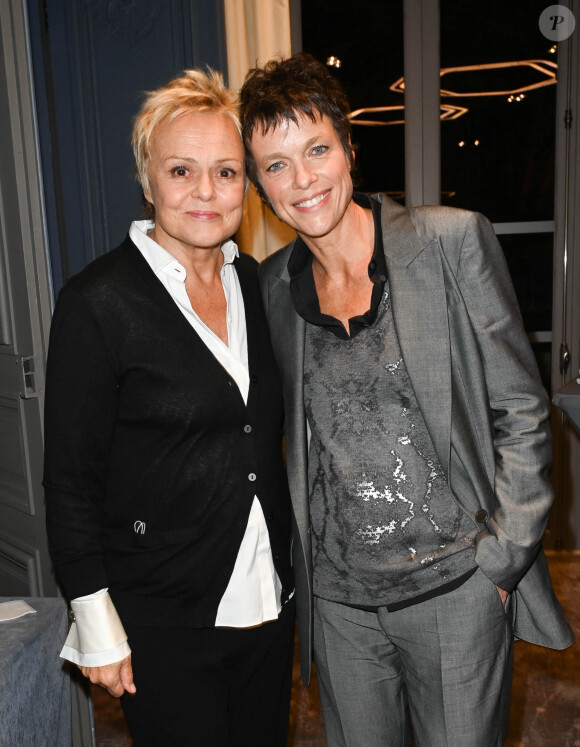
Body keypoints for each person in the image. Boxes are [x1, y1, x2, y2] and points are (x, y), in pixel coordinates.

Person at [240, 53, 574, 747]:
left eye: (316, 150)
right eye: (275, 165)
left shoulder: (451, 243)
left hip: (457, 591)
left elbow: (521, 407)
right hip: (340, 610)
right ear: (258, 185)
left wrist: (504, 559)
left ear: (348, 146)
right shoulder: (272, 289)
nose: (302, 180)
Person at [43, 68, 294, 746]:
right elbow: (70, 483)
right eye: (182, 171)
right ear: (148, 180)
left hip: (269, 603)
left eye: (226, 172)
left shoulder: (258, 284)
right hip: (162, 618)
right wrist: (96, 625)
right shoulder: (98, 302)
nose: (206, 193)